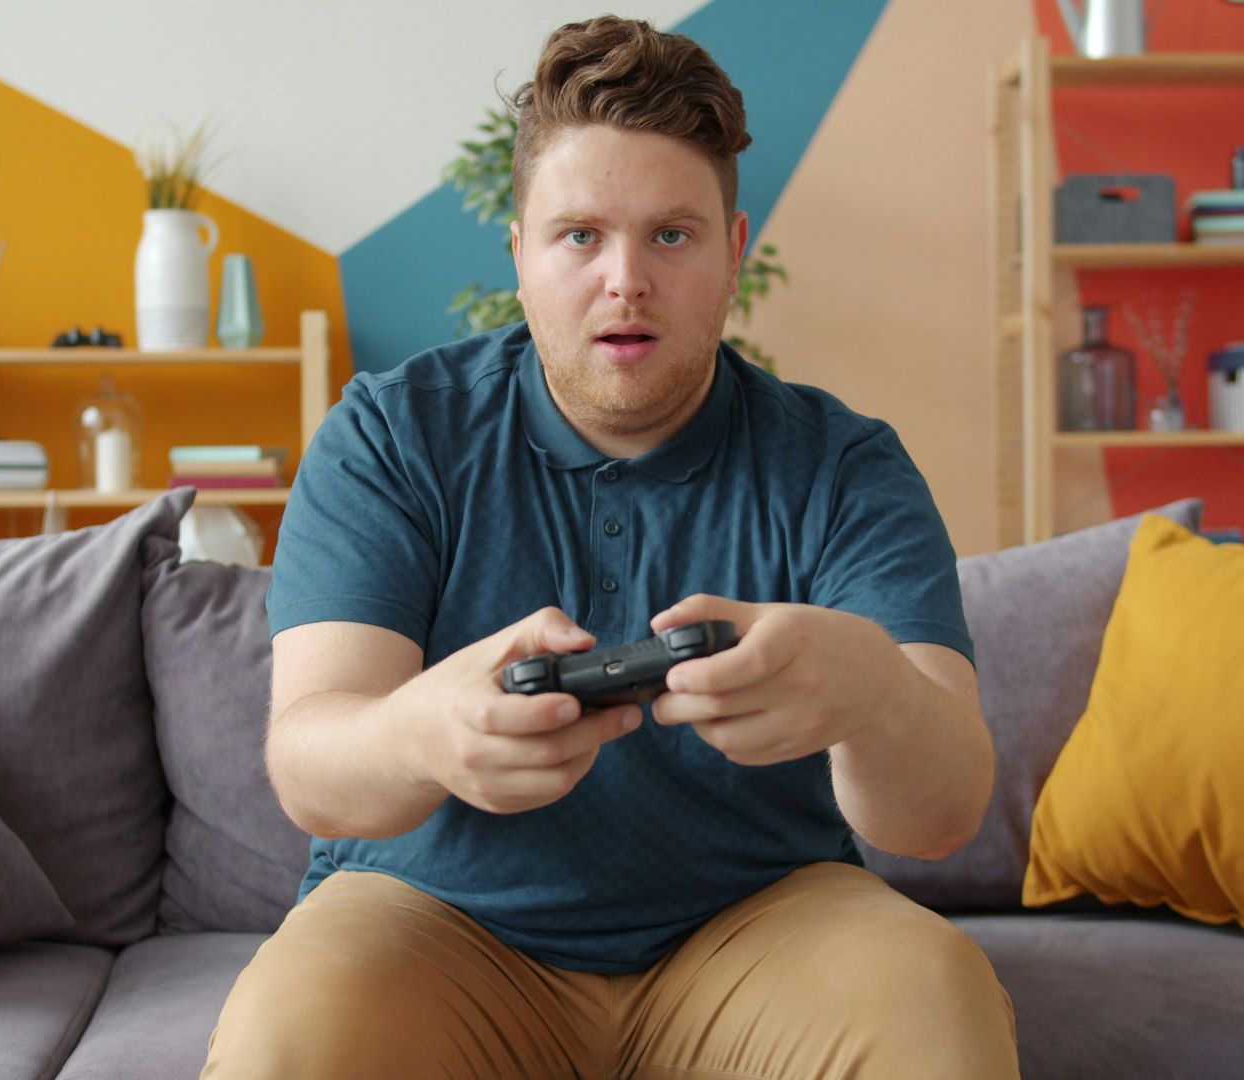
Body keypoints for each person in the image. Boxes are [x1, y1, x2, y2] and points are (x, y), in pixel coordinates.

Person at [202, 15, 1018, 1079]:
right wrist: (424, 732)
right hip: (430, 923)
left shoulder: (844, 466)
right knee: (288, 1039)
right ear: (519, 255)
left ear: (734, 251)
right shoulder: (391, 437)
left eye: (671, 236)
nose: (625, 279)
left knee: (935, 1003)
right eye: (581, 235)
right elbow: (311, 767)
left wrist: (878, 695)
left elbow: (941, 816)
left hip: (761, 923)